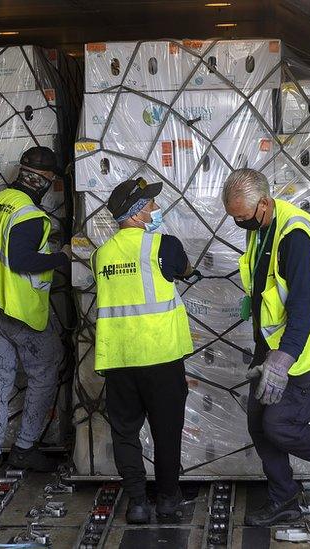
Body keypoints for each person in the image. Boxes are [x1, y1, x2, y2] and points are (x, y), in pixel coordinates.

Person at [222, 168, 310, 527]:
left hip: (301, 344)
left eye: (243, 218)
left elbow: (304, 305)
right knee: (258, 423)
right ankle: (285, 497)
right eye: (234, 219)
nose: (239, 224)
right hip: (272, 341)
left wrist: (284, 357)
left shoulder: (294, 235)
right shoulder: (262, 227)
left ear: (263, 203)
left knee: (279, 423)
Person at [91, 177, 196, 524]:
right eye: (150, 206)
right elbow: (185, 269)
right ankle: (167, 500)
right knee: (167, 431)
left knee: (125, 433)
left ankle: (137, 503)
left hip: (119, 359)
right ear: (136, 215)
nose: (155, 210)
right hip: (160, 357)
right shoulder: (162, 246)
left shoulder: (100, 255)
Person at [0, 146, 69, 479]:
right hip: (22, 312)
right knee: (44, 374)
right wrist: (63, 256)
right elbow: (21, 259)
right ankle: (24, 449)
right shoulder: (30, 214)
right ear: (43, 179)